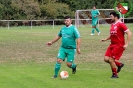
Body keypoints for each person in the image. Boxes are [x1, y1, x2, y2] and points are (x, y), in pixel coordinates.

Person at [100, 11, 132, 78]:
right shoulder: (112, 24)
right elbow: (112, 35)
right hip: (112, 44)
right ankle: (119, 64)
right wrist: (105, 39)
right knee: (106, 59)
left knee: (111, 60)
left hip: (119, 45)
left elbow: (129, 33)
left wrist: (126, 44)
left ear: (115, 17)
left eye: (111, 16)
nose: (110, 17)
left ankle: (115, 74)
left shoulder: (121, 24)